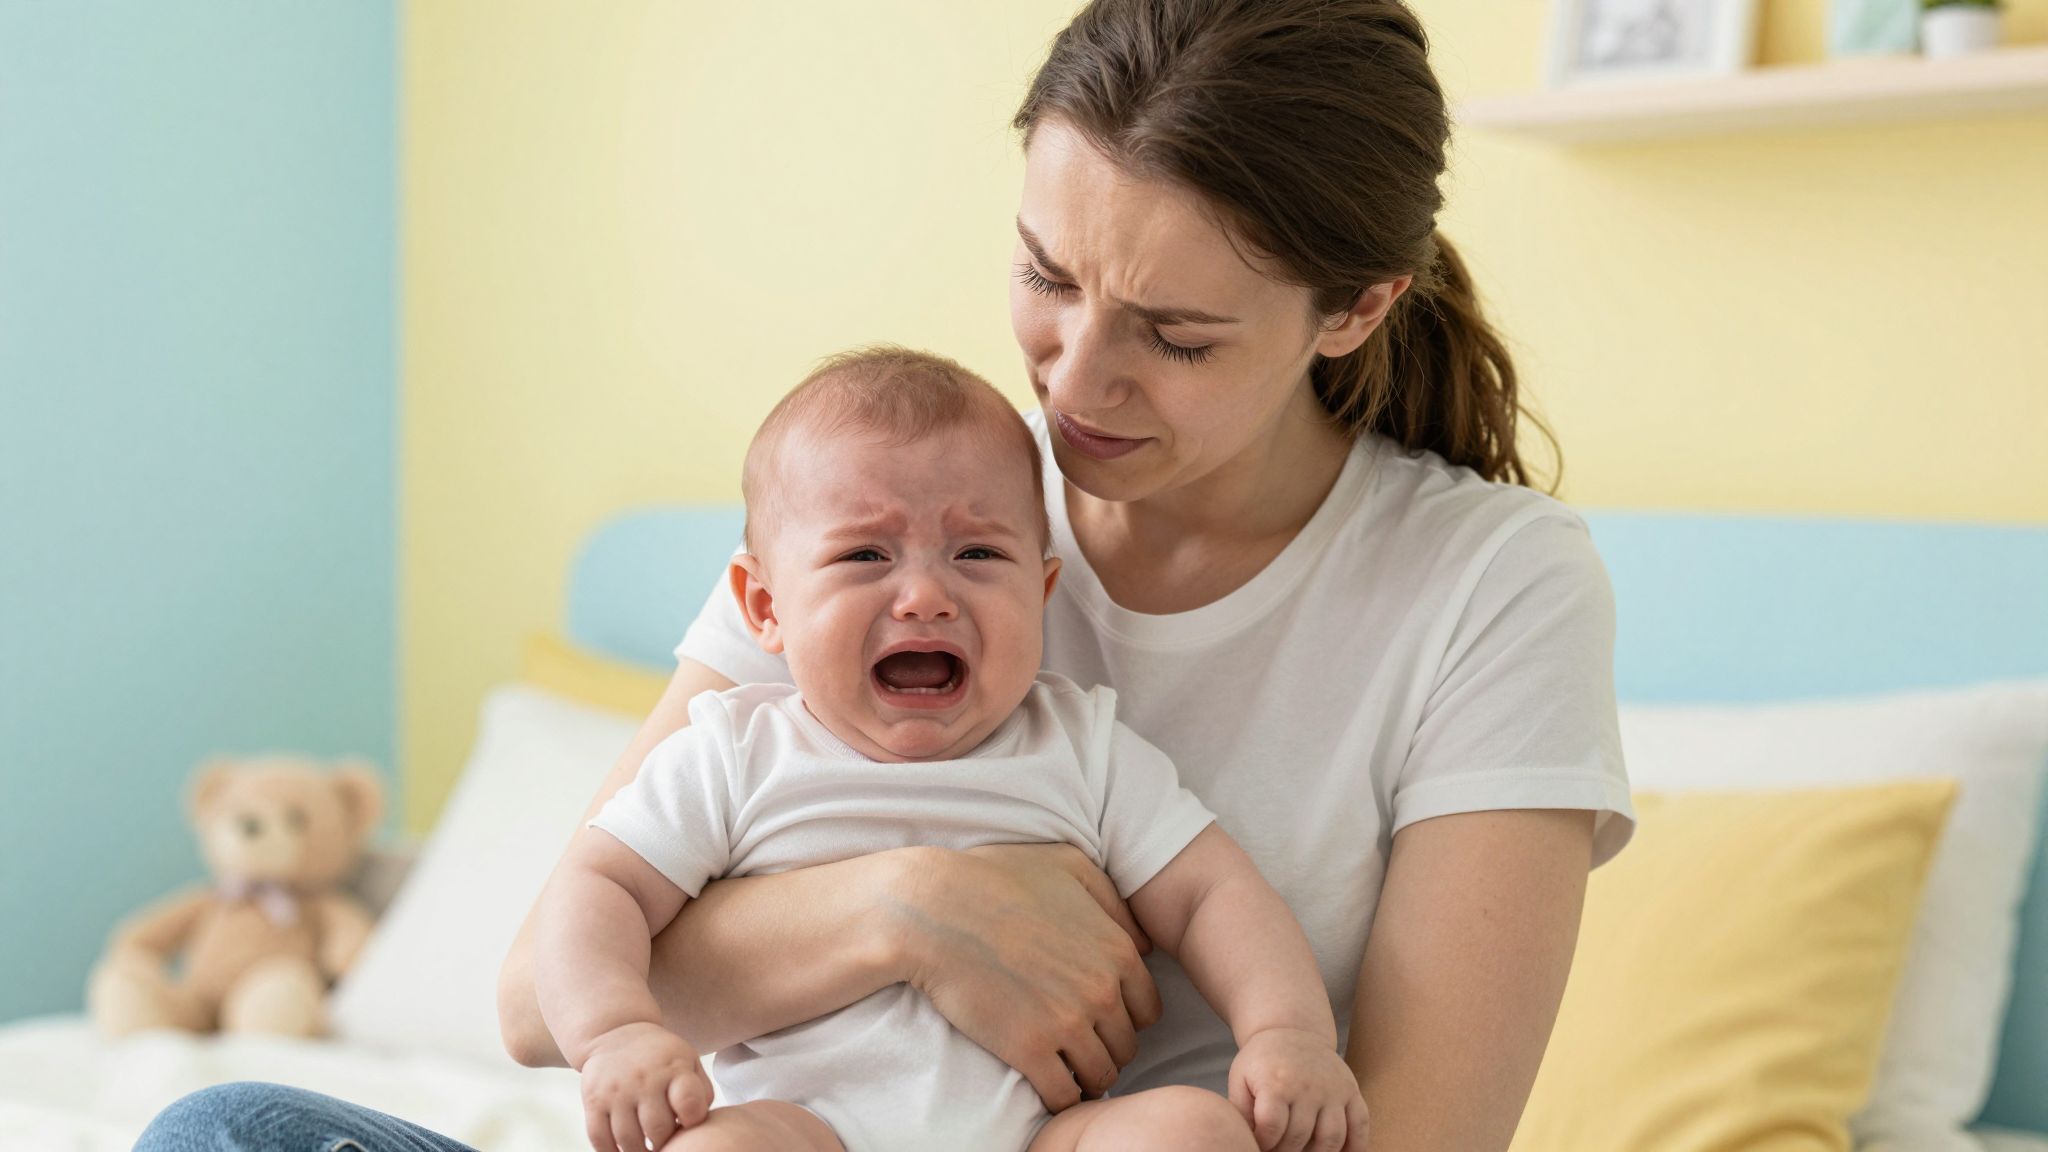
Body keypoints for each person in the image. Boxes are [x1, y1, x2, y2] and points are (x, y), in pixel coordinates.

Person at [135, 2, 1633, 1150]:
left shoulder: (1487, 587)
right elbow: (540, 999)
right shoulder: (891, 498)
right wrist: (917, 907)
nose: (1078, 383)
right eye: (1048, 277)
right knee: (224, 1133)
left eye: (1176, 335)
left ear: (1354, 310)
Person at [536, 347, 1368, 1152]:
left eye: (977, 553)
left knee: (1190, 1131)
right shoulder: (734, 753)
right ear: (764, 606)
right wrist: (614, 1031)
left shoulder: (1078, 744)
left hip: (1044, 1134)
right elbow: (597, 886)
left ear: (1041, 593)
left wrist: (1287, 1032)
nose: (927, 596)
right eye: (866, 554)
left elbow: (1211, 894)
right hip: (806, 1127)